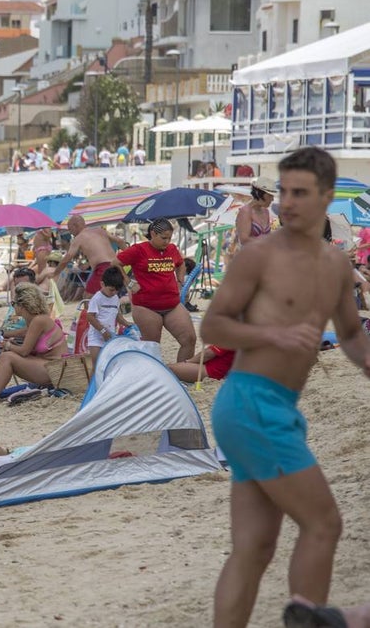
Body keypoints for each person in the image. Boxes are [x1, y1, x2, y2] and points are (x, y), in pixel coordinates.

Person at [202, 148, 370, 626]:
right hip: (250, 402)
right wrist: (271, 335)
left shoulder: (335, 265)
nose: (287, 203)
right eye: (283, 192)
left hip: (274, 408)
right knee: (323, 522)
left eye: (300, 193)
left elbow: (351, 333)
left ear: (327, 196)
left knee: (253, 548)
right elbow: (212, 326)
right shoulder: (259, 257)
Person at [114, 218, 196, 363]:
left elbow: (181, 264)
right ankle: (154, 375)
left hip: (172, 305)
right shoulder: (138, 249)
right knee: (152, 347)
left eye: (169, 238)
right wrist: (129, 282)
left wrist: (180, 281)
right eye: (163, 238)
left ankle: (181, 373)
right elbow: (115, 263)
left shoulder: (172, 249)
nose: (167, 241)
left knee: (189, 339)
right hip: (146, 307)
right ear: (153, 234)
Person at [0, 283, 66, 402]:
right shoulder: (36, 319)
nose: (12, 307)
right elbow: (26, 340)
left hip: (55, 370)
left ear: (22, 305)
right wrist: (8, 340)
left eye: (13, 303)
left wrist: (8, 345)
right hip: (48, 365)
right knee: (5, 356)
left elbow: (24, 351)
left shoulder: (38, 321)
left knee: (7, 357)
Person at [39, 214, 125, 296]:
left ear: (75, 225)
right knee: (110, 295)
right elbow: (120, 241)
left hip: (103, 268)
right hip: (116, 265)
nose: (70, 232)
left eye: (70, 229)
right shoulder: (100, 230)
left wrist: (55, 273)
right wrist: (129, 255)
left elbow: (67, 258)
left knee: (88, 296)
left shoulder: (79, 238)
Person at [85, 266, 131, 364]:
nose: (114, 292)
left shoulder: (115, 298)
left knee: (108, 363)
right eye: (111, 290)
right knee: (97, 364)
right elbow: (90, 316)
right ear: (102, 284)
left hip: (110, 336)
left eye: (117, 290)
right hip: (96, 337)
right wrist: (102, 330)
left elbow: (116, 314)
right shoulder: (97, 298)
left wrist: (126, 323)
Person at [234, 176, 277, 248]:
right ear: (259, 193)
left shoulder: (266, 212)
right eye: (270, 195)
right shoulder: (246, 211)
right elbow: (244, 240)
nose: (272, 199)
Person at [168, 344, 235, 384]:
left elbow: (207, 354)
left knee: (168, 369)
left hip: (212, 371)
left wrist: (188, 362)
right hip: (225, 371)